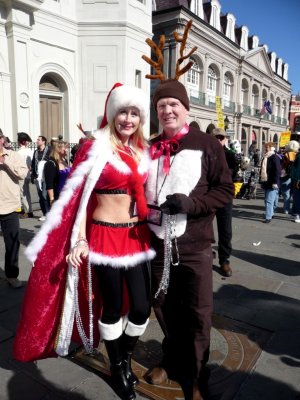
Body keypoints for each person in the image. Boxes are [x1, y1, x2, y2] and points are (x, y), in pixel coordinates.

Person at [13, 83, 155, 400]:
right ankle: (118, 368)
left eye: (134, 113)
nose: (128, 119)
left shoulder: (142, 150)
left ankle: (124, 358)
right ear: (112, 114)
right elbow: (79, 198)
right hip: (103, 235)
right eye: (123, 112)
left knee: (142, 309)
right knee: (114, 305)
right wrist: (79, 239)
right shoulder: (98, 147)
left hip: (136, 237)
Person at [141, 20, 234, 400]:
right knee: (163, 308)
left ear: (186, 107)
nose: (167, 111)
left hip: (194, 248)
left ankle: (195, 376)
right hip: (157, 246)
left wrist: (192, 204)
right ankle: (172, 358)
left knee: (197, 314)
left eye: (173, 105)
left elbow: (225, 190)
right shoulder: (148, 147)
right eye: (161, 105)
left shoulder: (206, 144)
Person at [0, 129, 28, 288]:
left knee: (12, 243)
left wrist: (6, 164)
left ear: (2, 139)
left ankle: (12, 275)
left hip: (9, 206)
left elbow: (22, 175)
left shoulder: (14, 156)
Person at [211, 128, 237, 277]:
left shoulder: (230, 155)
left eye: (221, 137)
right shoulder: (204, 153)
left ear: (225, 139)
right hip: (207, 196)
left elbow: (234, 175)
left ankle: (224, 260)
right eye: (216, 137)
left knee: (226, 230)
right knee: (203, 227)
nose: (218, 140)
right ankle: (205, 254)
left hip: (224, 197)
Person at [44, 136, 70, 207]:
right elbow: (49, 184)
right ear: (58, 149)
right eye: (65, 148)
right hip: (58, 196)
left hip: (67, 195)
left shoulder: (64, 161)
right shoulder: (51, 163)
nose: (67, 150)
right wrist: (52, 199)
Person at [259, 142, 281, 223]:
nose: (265, 149)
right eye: (265, 147)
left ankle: (268, 217)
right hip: (266, 181)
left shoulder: (274, 157)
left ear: (272, 148)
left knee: (269, 200)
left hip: (272, 182)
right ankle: (271, 213)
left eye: (267, 147)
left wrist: (275, 182)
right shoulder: (266, 157)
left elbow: (277, 171)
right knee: (268, 200)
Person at [31, 135, 51, 221]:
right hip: (38, 176)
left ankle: (49, 213)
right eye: (37, 139)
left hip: (46, 176)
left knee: (44, 195)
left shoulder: (49, 150)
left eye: (39, 140)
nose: (37, 141)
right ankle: (44, 213)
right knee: (40, 196)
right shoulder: (36, 152)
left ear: (43, 141)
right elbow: (33, 163)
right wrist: (33, 174)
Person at [17, 132, 34, 218]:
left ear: (19, 142)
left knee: (23, 193)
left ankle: (27, 211)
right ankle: (29, 210)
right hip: (28, 174)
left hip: (21, 174)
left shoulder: (19, 152)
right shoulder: (30, 151)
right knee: (27, 193)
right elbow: (31, 163)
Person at [280, 140, 299, 215]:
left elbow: (283, 165)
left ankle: (286, 209)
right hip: (294, 177)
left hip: (286, 176)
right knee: (294, 194)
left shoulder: (286, 154)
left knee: (286, 194)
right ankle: (294, 209)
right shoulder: (297, 154)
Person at [290, 143, 300, 222]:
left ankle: (296, 214)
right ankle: (296, 213)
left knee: (297, 197)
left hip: (297, 180)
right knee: (296, 197)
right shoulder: (297, 155)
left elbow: (296, 169)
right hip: (296, 179)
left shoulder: (298, 156)